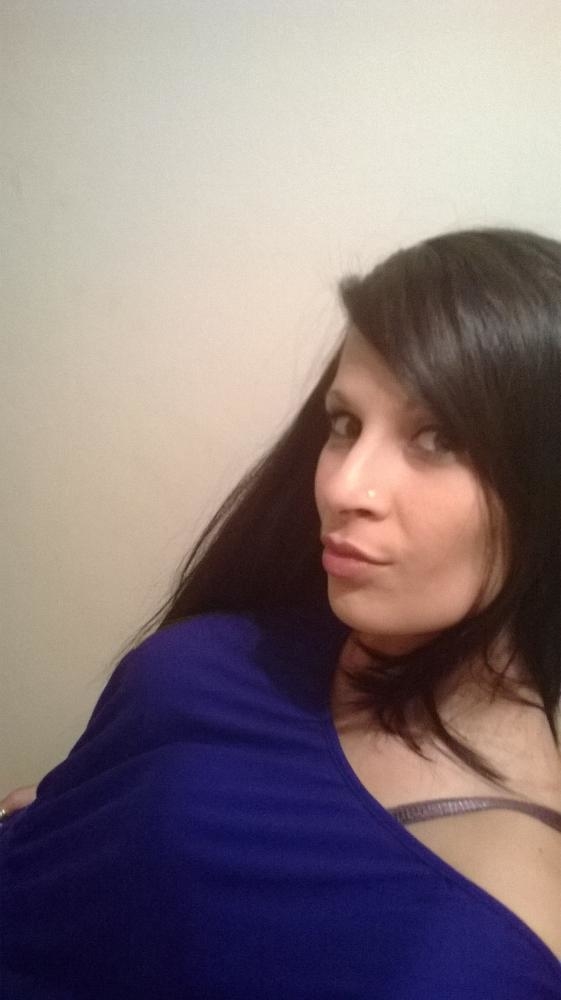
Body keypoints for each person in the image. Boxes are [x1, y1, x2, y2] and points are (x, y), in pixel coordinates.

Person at [1, 227, 561, 999]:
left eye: (436, 437)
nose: (343, 486)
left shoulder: (470, 951)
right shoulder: (310, 623)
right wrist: (79, 823)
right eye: (345, 424)